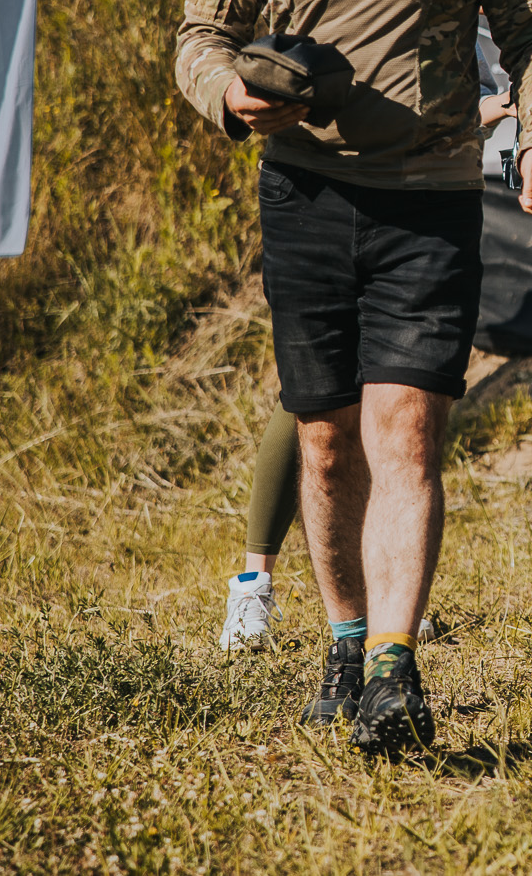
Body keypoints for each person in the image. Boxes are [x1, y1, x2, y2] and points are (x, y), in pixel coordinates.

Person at [177, 0, 532, 756]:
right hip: (305, 197)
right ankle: (345, 645)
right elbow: (200, 35)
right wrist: (229, 96)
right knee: (322, 440)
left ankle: (396, 669)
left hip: (430, 199)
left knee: (405, 429)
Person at [216, 84, 515, 651]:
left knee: (397, 418)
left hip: (418, 217)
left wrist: (500, 114)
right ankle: (254, 585)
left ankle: (387, 605)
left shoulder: (465, 43)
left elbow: (446, 119)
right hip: (323, 204)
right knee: (312, 410)